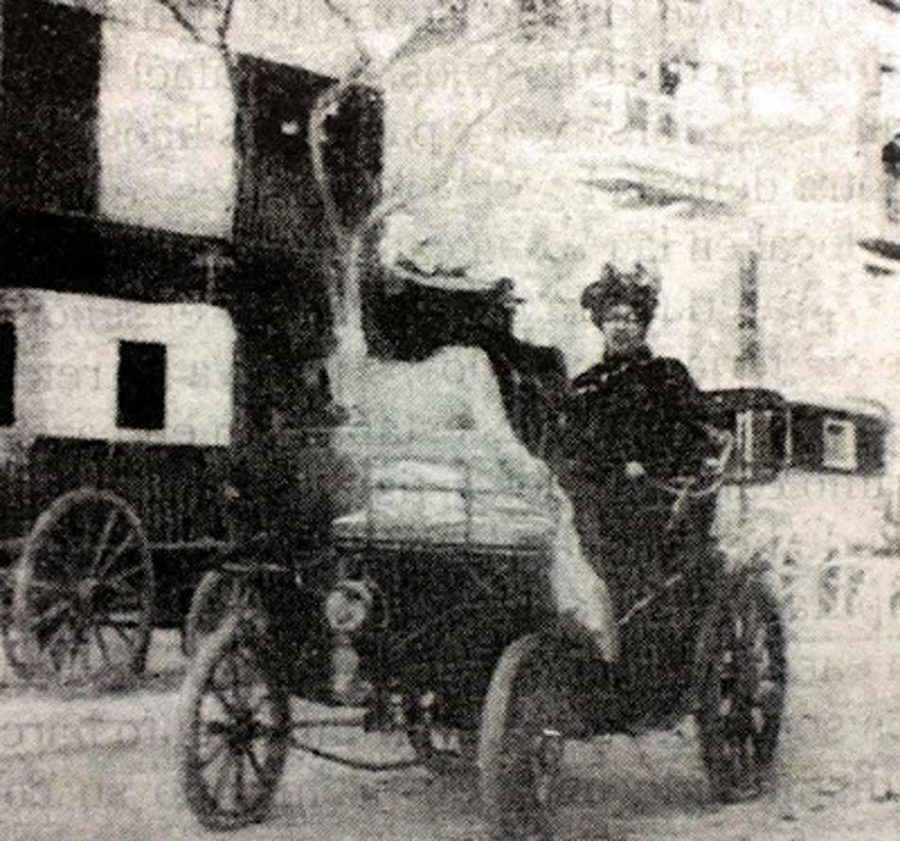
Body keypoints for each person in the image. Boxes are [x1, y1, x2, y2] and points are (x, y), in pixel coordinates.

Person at [561, 263, 716, 718]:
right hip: (590, 494)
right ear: (600, 325)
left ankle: (633, 679)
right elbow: (566, 442)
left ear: (643, 324)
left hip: (651, 499)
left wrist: (647, 464)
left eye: (629, 318)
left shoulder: (667, 376)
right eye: (612, 318)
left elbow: (694, 437)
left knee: (619, 548)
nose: (620, 326)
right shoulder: (585, 384)